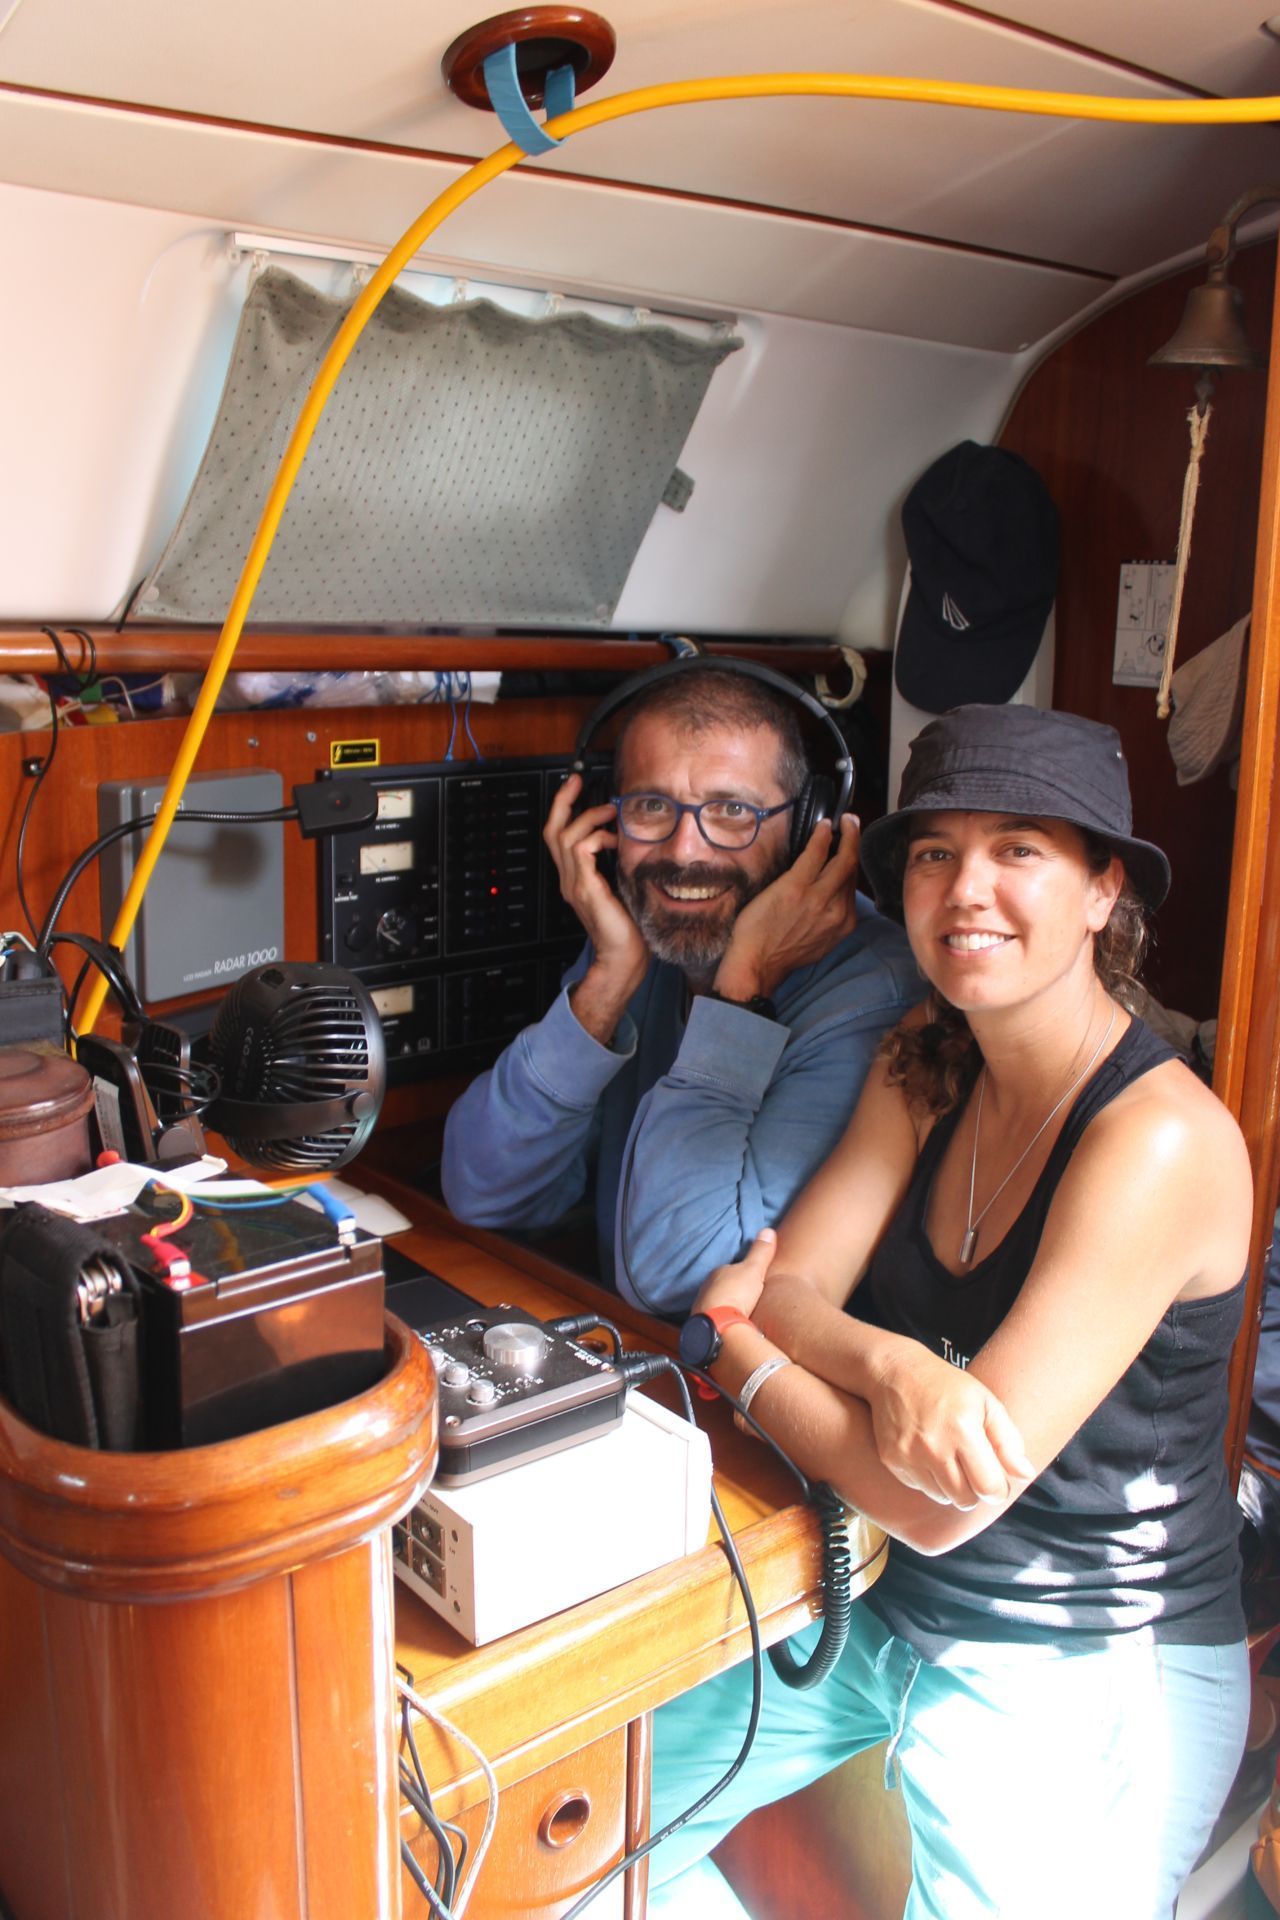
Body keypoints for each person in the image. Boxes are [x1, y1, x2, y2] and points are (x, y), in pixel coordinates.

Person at [650, 701, 1253, 1920]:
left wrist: (740, 1362)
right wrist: (897, 1369)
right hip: (874, 1601)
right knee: (563, 1811)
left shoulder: (1159, 1141)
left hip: (1072, 1662)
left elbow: (942, 1500)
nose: (963, 888)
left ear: (1101, 895)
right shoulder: (928, 1050)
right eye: (934, 854)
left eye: (1017, 848)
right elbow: (791, 1284)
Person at [440, 662, 922, 1315]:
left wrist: (742, 989)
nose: (684, 850)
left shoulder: (873, 992)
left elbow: (672, 1279)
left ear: (809, 825)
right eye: (651, 806)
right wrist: (605, 985)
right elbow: (484, 1192)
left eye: (732, 811)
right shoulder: (641, 946)